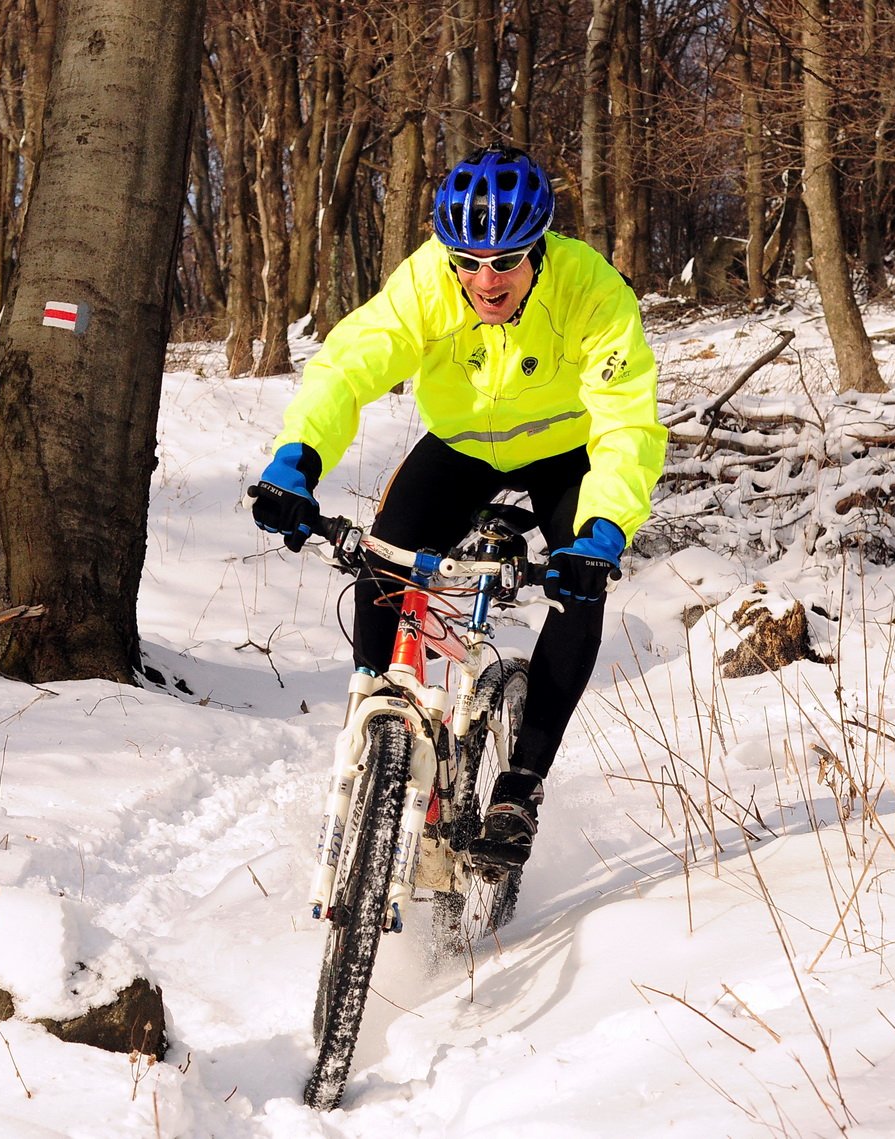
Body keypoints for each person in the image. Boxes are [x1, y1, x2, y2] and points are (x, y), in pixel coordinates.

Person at [251, 143, 666, 868]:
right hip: (462, 446)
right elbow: (349, 365)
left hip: (565, 450)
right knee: (384, 553)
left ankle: (519, 786)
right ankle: (375, 710)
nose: (485, 278)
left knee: (578, 595)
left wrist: (600, 534)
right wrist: (297, 461)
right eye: (468, 260)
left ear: (538, 250)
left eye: (505, 260)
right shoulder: (428, 281)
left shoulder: (591, 290)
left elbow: (626, 424)